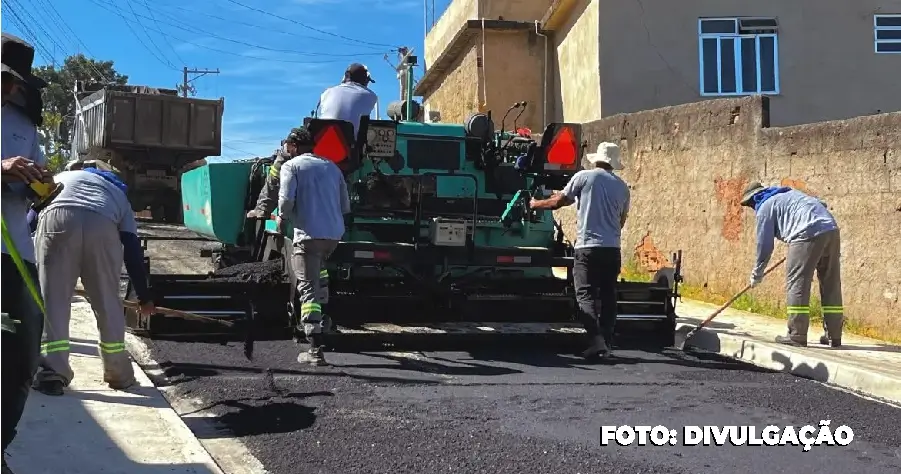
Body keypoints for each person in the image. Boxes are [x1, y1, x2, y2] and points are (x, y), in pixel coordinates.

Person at [30, 165, 156, 396]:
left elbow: (29, 220)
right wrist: (144, 296)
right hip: (103, 224)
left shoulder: (60, 177)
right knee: (108, 302)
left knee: (53, 302)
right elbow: (132, 249)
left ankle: (51, 374)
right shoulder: (117, 195)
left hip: (55, 218)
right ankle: (118, 374)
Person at [529, 142, 630, 360]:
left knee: (584, 294)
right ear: (613, 163)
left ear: (597, 159)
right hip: (612, 248)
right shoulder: (622, 187)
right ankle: (606, 341)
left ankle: (596, 341)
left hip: (587, 248)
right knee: (608, 295)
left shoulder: (584, 177)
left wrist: (535, 204)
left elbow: (559, 201)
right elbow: (621, 220)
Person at [1, 32, 50, 473]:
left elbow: (30, 186)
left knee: (20, 356)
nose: (9, 87)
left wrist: (39, 187)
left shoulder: (24, 127)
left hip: (15, 252)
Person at [277, 126, 351, 366]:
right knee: (320, 276)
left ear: (295, 146)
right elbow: (345, 206)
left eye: (288, 147)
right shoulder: (332, 167)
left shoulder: (292, 166)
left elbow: (286, 200)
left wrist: (281, 219)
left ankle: (315, 349)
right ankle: (326, 322)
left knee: (307, 289)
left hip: (308, 237)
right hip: (332, 236)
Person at [739, 182, 844, 348]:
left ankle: (796, 335)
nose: (752, 208)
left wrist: (757, 274)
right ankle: (834, 335)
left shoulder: (765, 207)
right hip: (830, 229)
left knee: (797, 284)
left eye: (750, 204)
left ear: (754, 199)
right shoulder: (789, 194)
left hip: (805, 234)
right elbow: (820, 204)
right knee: (830, 283)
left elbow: (764, 246)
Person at [316, 63, 379, 137]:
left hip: (321, 140)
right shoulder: (371, 96)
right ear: (365, 81)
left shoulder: (326, 92)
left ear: (344, 78)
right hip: (349, 144)